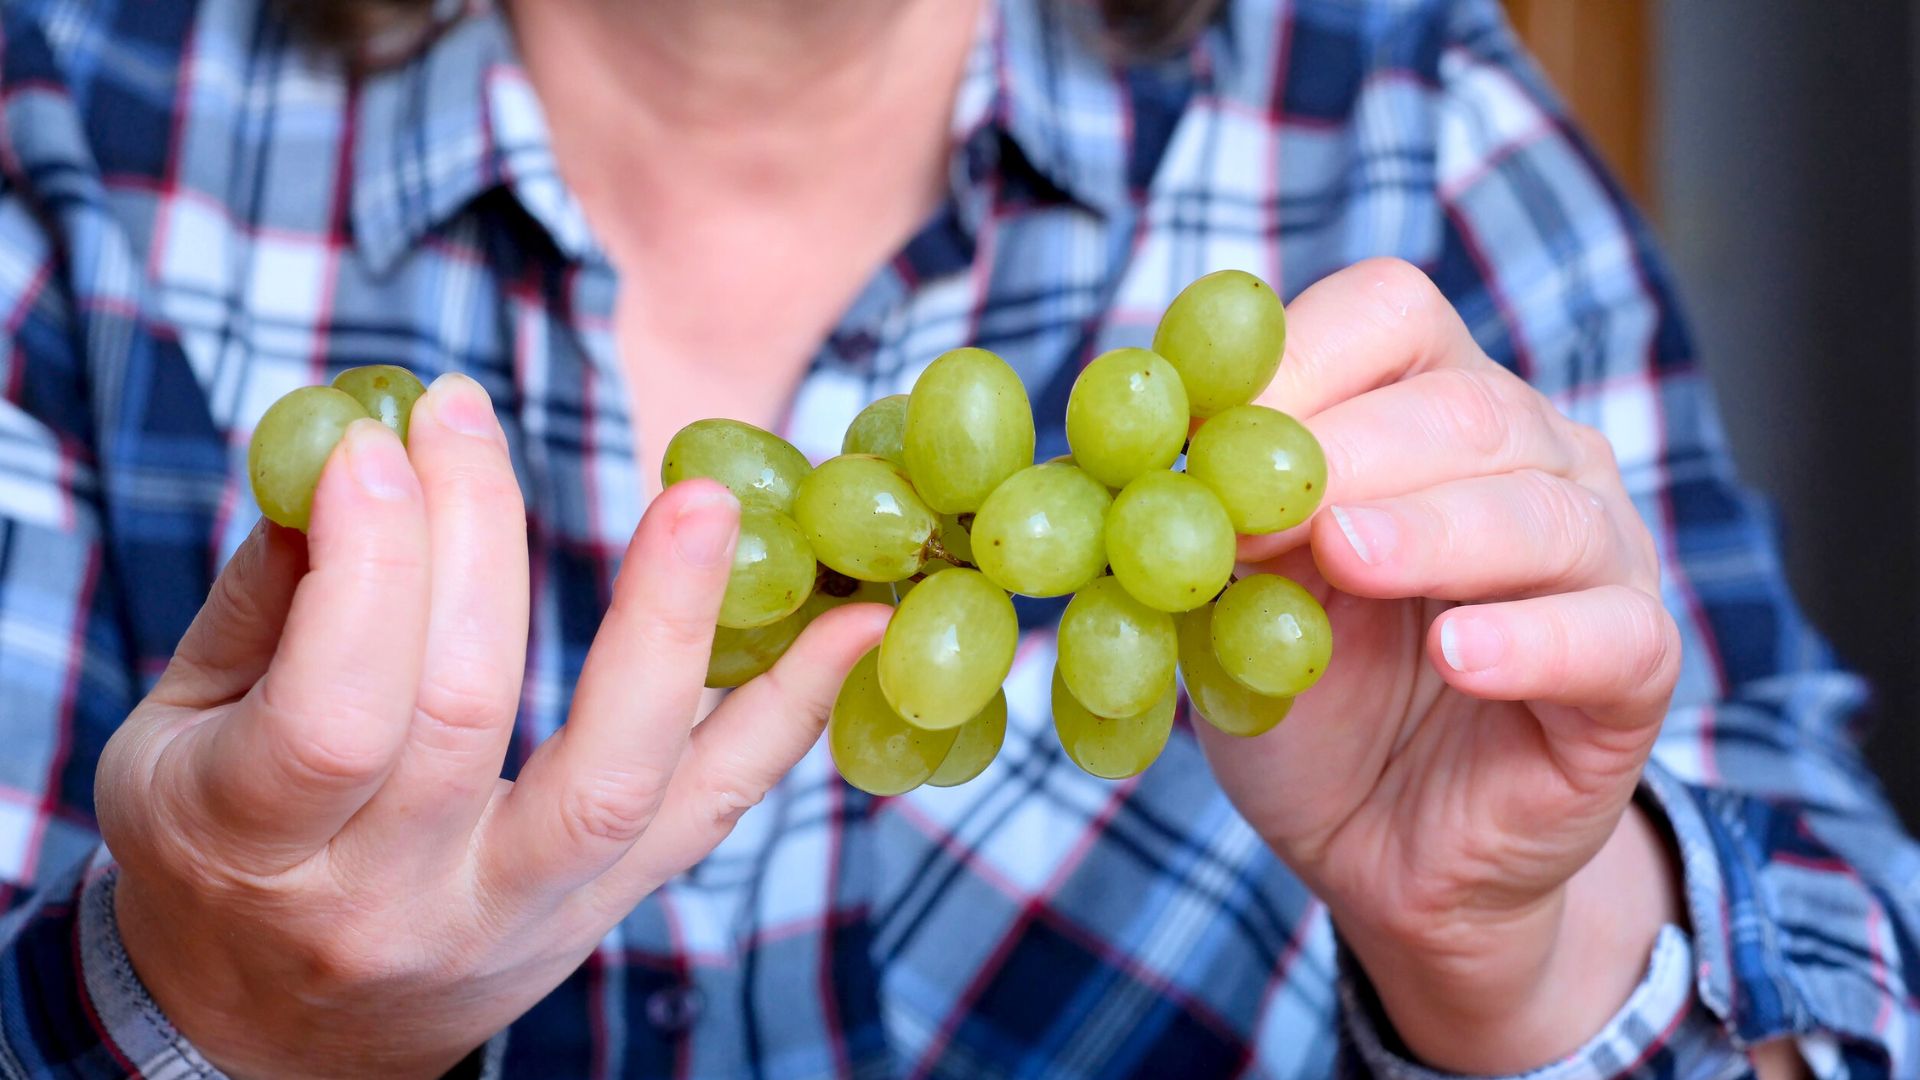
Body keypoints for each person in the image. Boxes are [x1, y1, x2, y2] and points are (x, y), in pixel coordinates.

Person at [0, 0, 1910, 1075]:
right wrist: (200, 1016)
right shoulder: (64, 136)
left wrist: (1541, 954)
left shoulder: (1419, 132)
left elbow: (1855, 959)